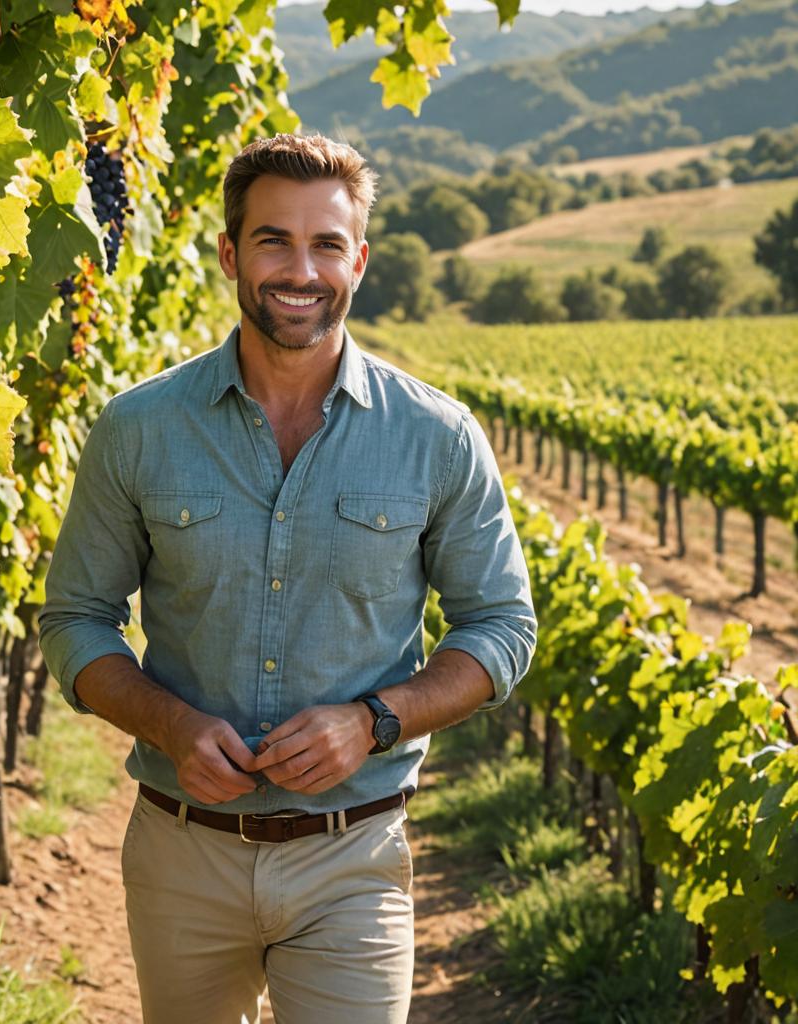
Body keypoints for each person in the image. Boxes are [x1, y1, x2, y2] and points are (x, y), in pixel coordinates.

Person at [38, 133, 536, 1024]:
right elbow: (76, 619)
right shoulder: (138, 428)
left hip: (353, 860)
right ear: (230, 252)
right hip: (180, 853)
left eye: (326, 244)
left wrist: (374, 722)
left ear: (360, 260)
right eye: (273, 240)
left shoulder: (438, 436)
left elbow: (500, 627)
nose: (299, 269)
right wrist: (174, 723)